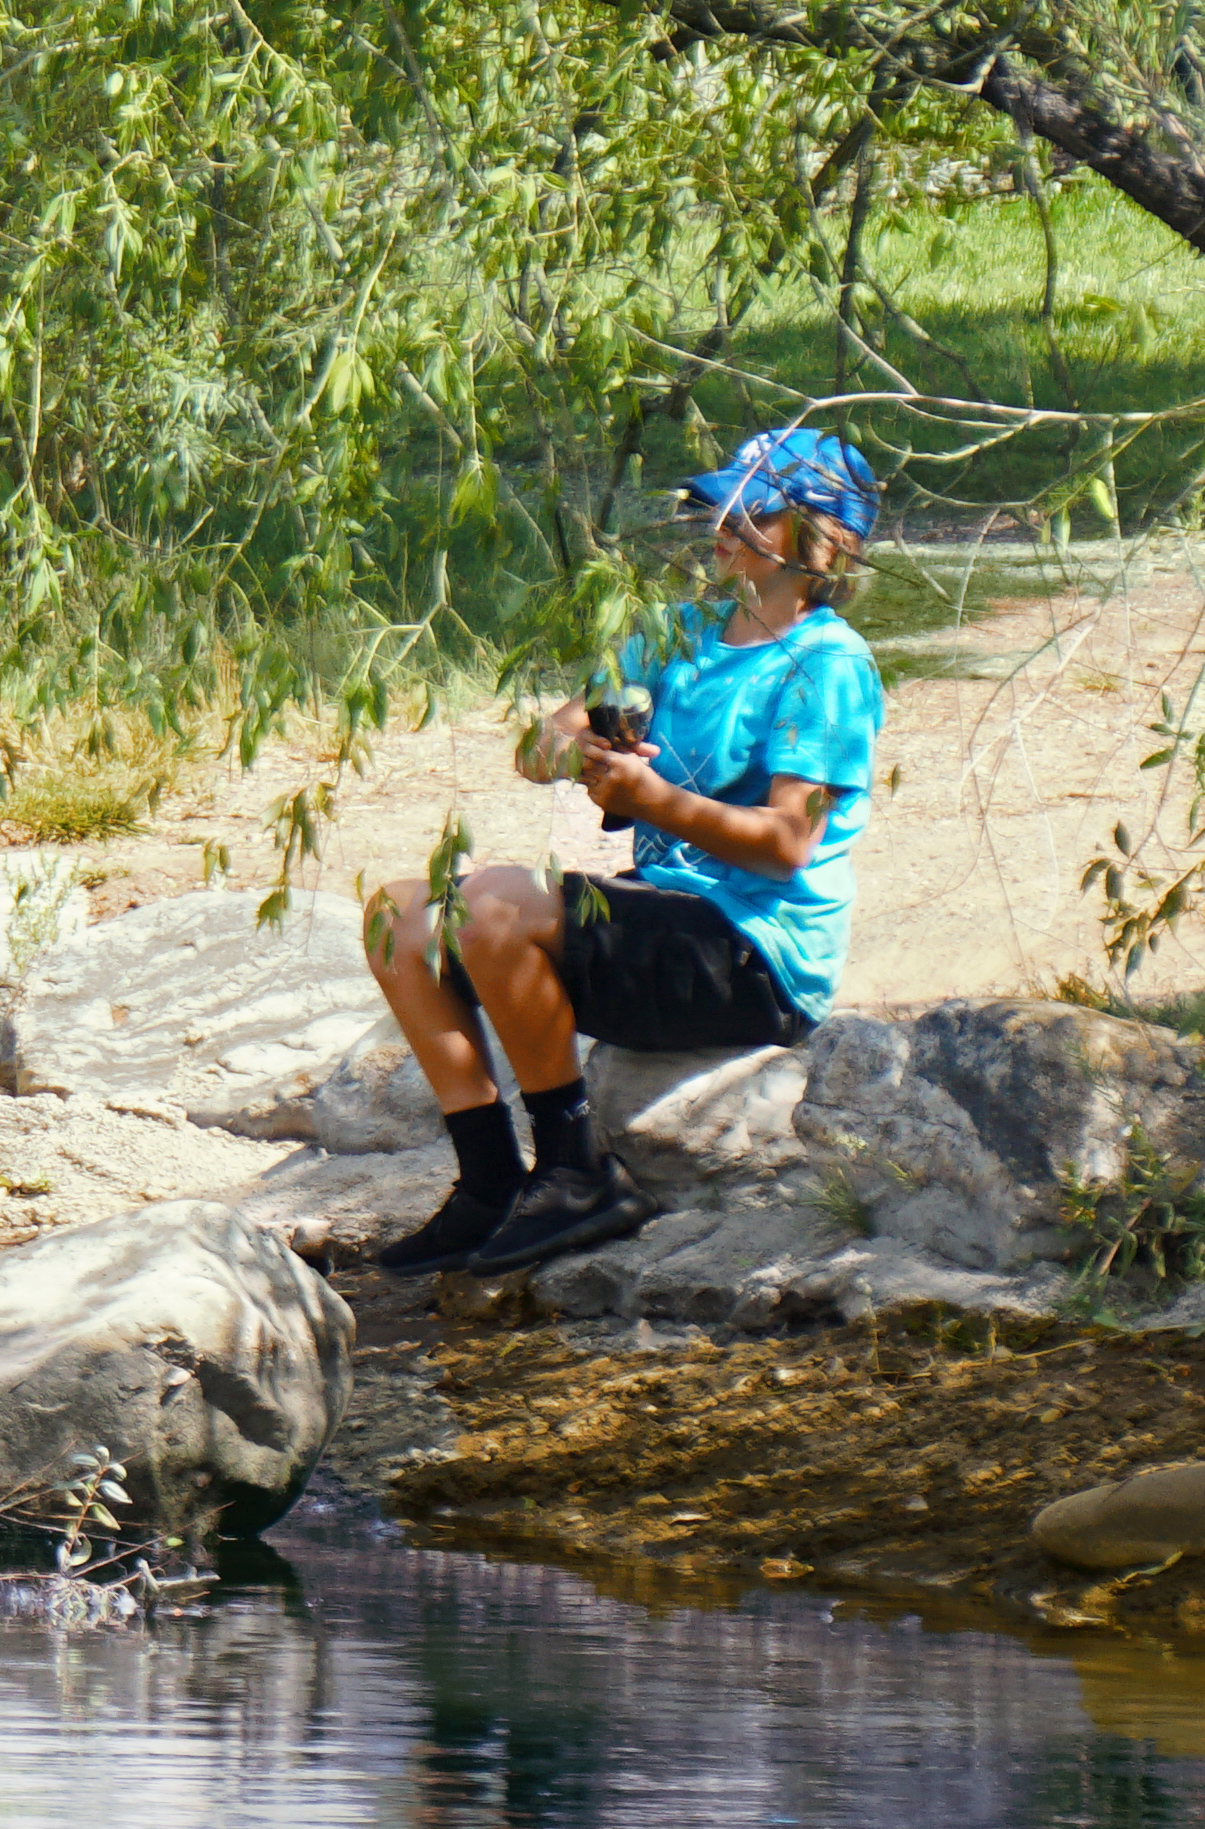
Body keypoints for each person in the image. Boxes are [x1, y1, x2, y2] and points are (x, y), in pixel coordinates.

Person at [358, 422, 885, 1278]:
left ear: (826, 545)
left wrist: (655, 803)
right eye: (723, 506)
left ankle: (576, 1172)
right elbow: (539, 747)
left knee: (494, 903)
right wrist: (581, 753)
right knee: (398, 915)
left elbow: (787, 847)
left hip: (754, 957)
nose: (725, 524)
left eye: (754, 511)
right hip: (666, 910)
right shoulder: (679, 631)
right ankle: (489, 1180)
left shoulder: (828, 666)